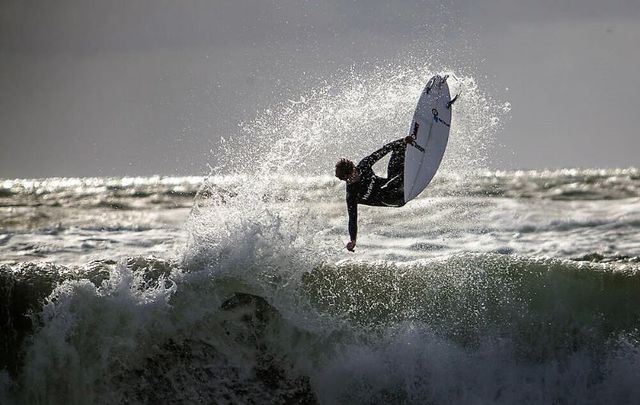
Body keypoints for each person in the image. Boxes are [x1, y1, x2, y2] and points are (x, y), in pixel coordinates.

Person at [335, 136, 414, 252]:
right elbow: (352, 218)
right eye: (346, 180)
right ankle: (405, 176)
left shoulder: (364, 165)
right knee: (387, 187)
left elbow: (383, 150)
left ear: (353, 168)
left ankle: (409, 152)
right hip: (394, 200)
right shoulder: (352, 195)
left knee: (397, 149)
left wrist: (402, 141)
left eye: (350, 176)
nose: (350, 181)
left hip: (395, 184)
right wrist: (353, 240)